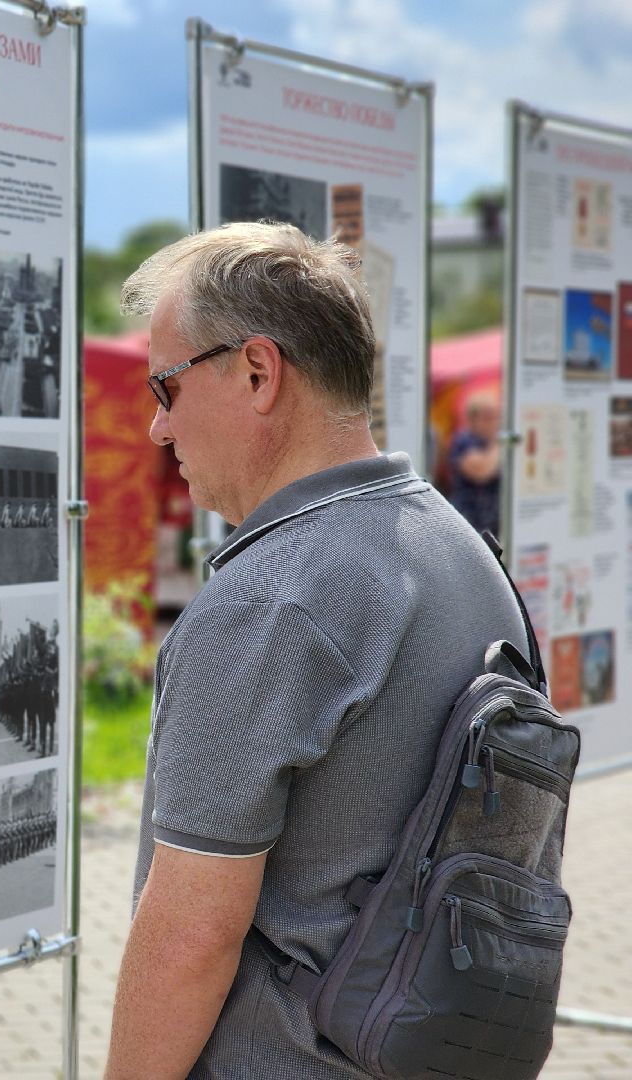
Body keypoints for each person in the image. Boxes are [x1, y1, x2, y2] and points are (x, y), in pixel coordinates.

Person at [104, 222, 527, 1079]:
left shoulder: (271, 597)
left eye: (166, 387)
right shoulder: (458, 547)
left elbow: (191, 934)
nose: (155, 428)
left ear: (257, 372)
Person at [446, 390, 501, 539]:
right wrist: (501, 442)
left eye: (497, 415)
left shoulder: (494, 443)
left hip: (495, 527)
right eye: (488, 416)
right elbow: (482, 471)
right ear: (473, 418)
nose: (495, 421)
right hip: (469, 526)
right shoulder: (463, 441)